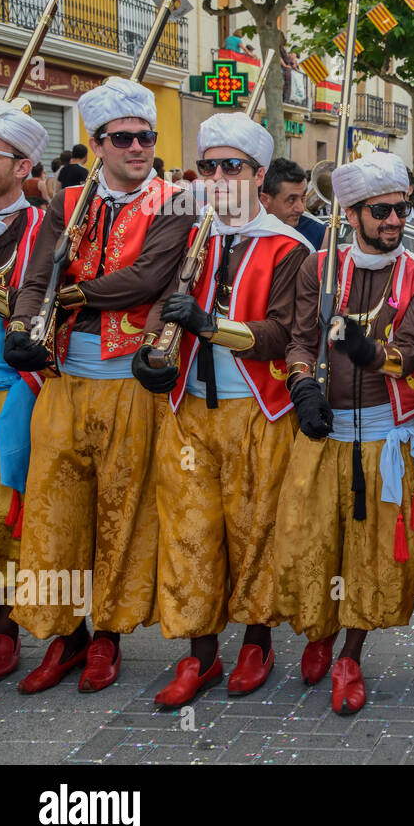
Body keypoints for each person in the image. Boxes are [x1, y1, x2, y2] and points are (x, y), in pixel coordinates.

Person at [4, 78, 191, 694]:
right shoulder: (69, 199)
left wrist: (67, 296)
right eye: (125, 139)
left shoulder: (176, 201)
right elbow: (36, 275)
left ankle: (108, 636)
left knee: (122, 513)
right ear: (97, 143)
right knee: (56, 514)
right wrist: (24, 322)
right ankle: (65, 635)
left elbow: (145, 279)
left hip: (130, 383)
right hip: (63, 382)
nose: (139, 147)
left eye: (147, 137)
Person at [132, 113, 314, 708]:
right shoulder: (191, 232)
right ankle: (200, 654)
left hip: (258, 409)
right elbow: (161, 300)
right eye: (206, 166)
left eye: (230, 166)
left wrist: (213, 327)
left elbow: (286, 332)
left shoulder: (290, 247)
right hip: (188, 408)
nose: (216, 177)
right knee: (189, 534)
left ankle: (257, 641)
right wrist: (151, 350)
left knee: (255, 530)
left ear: (258, 175)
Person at [275, 150, 414, 715]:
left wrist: (371, 353)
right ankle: (319, 631)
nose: (394, 221)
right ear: (351, 214)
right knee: (312, 542)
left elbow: (413, 352)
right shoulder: (318, 268)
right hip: (322, 433)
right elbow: (299, 339)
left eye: (401, 209)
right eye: (381, 212)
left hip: (385, 440)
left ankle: (350, 652)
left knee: (373, 557)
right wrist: (302, 386)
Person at [0, 99, 49, 683]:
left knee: (8, 515)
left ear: (24, 164)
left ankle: (4, 624)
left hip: (17, 389)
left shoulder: (43, 230)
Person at [258, 157, 325, 251]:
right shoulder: (245, 230)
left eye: (303, 198)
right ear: (264, 200)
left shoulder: (321, 233)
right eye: (291, 199)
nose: (301, 209)